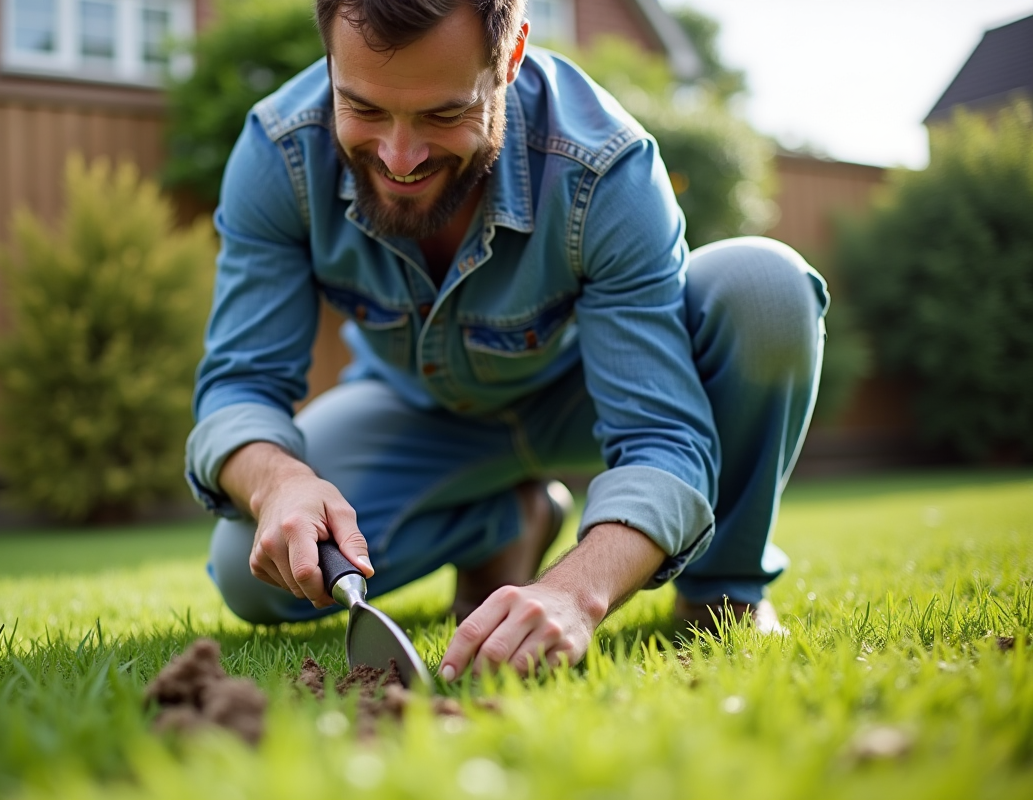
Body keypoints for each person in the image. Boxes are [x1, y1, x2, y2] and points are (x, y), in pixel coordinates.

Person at [185, 0, 828, 680]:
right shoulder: (278, 152)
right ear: (329, 59)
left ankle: (721, 593)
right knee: (254, 569)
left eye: (442, 114)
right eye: (365, 109)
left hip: (584, 397)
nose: (399, 157)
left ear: (512, 55)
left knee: (766, 289)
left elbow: (662, 436)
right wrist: (278, 483)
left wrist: (575, 592)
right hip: (419, 409)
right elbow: (239, 385)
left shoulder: (606, 164)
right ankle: (506, 520)